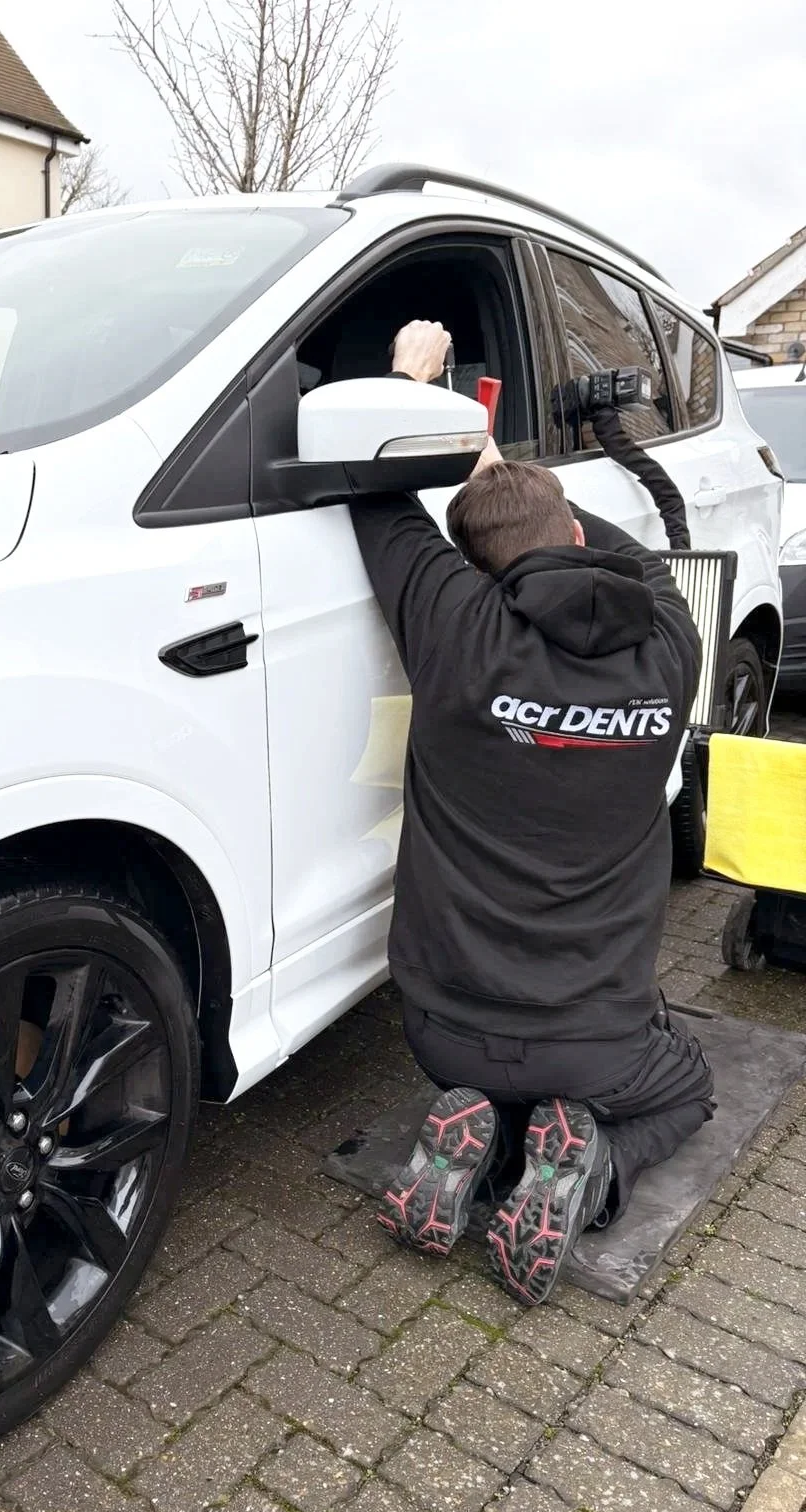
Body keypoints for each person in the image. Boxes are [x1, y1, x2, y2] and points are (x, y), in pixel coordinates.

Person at [353, 319, 715, 1306]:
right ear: (571, 537)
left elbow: (376, 496)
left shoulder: (455, 628)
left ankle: (476, 1140)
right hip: (596, 1039)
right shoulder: (671, 651)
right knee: (688, 1087)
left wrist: (408, 382)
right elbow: (627, 554)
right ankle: (585, 1169)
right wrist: (527, 496)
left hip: (437, 1026)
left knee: (512, 1077)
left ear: (478, 566)